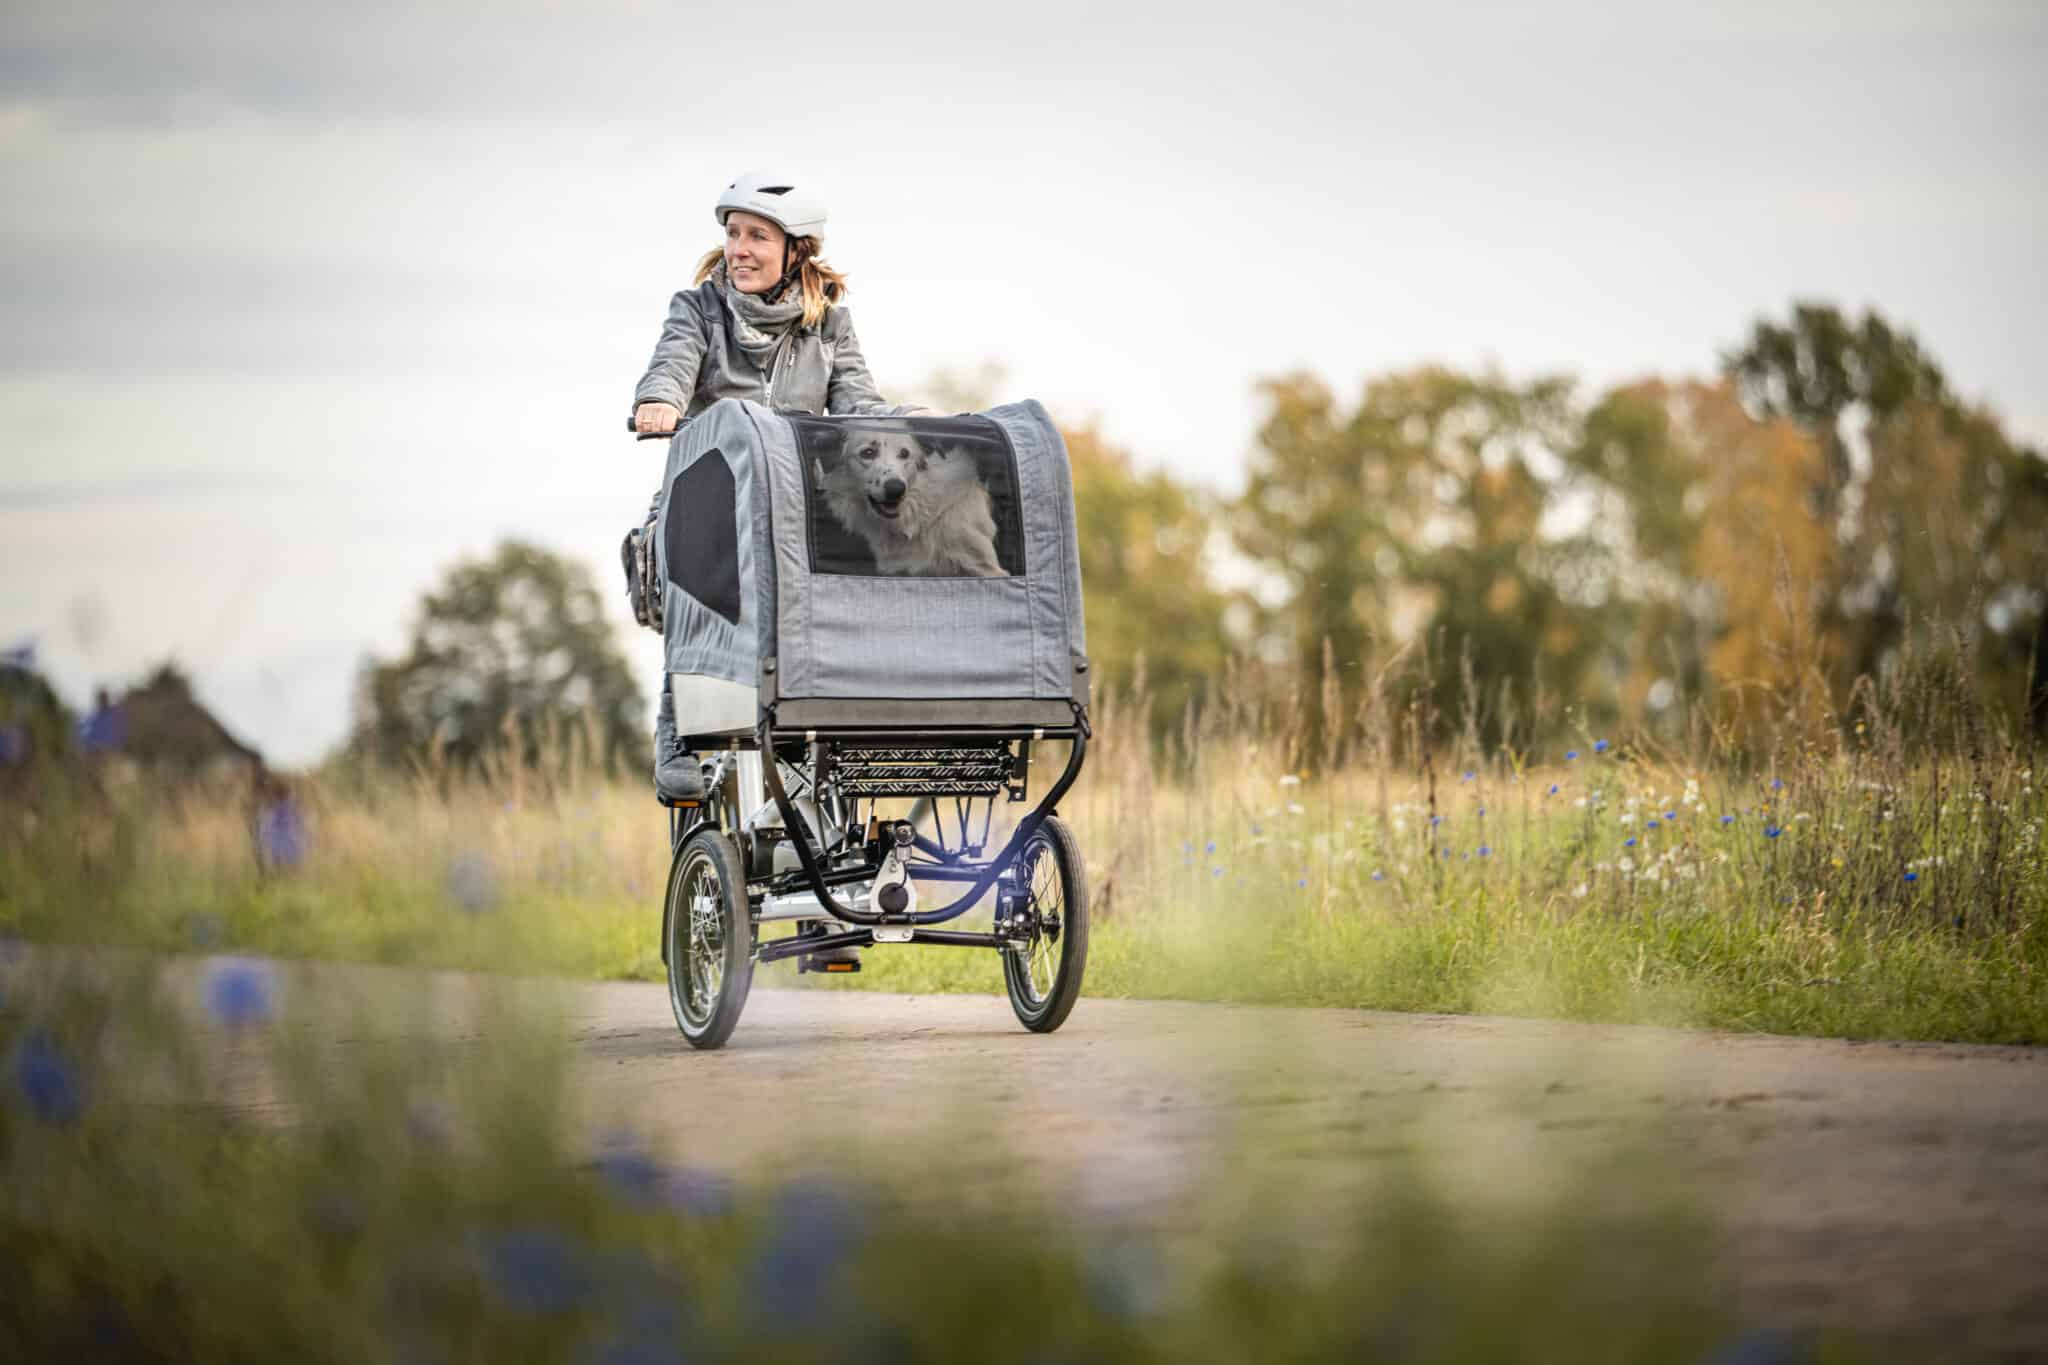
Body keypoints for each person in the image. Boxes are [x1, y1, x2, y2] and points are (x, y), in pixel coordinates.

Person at [629, 172, 915, 803]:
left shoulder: (829, 327)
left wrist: (890, 433)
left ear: (795, 251)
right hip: (709, 502)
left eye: (757, 236)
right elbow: (673, 363)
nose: (740, 249)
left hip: (795, 508)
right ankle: (678, 728)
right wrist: (658, 401)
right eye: (733, 234)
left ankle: (855, 719)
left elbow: (858, 402)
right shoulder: (699, 310)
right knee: (698, 559)